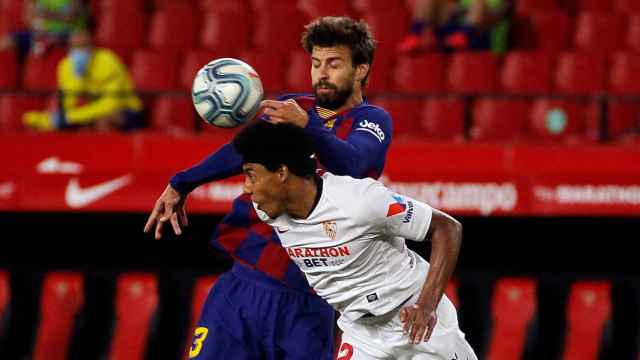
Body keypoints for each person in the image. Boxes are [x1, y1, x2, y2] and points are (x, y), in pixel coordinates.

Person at [144, 16, 393, 359]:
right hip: (245, 285)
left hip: (310, 301)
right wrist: (181, 183)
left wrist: (308, 127)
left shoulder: (372, 120)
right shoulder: (296, 107)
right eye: (316, 63)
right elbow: (240, 150)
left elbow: (352, 165)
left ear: (361, 70)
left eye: (334, 64)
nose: (321, 73)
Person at [233, 120, 477, 360]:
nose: (246, 188)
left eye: (251, 175)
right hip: (361, 334)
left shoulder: (360, 202)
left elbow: (447, 229)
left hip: (415, 320)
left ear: (282, 173)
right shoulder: (269, 211)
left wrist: (426, 306)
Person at [23, 30, 143, 131]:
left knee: (103, 121)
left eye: (83, 46)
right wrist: (78, 77)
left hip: (126, 111)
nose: (78, 51)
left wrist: (72, 117)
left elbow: (110, 105)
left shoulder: (108, 61)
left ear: (92, 47)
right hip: (85, 111)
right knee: (35, 123)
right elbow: (69, 103)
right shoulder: (65, 66)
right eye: (74, 47)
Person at [397, 0, 510, 54]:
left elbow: (501, 14)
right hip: (452, 33)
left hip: (481, 37)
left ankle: (463, 36)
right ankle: (414, 36)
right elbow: (454, 9)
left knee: (479, 5)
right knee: (428, 1)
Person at [0, 0, 88, 60]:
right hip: (41, 33)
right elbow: (28, 18)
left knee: (79, 40)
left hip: (67, 33)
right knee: (6, 42)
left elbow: (70, 17)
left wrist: (44, 13)